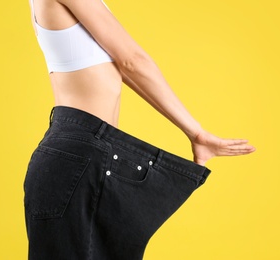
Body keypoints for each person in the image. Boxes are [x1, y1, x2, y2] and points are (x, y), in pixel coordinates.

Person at [23, 0, 256, 259]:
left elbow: (122, 68)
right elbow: (132, 60)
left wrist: (196, 134)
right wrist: (196, 132)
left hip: (81, 153)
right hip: (77, 155)